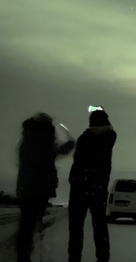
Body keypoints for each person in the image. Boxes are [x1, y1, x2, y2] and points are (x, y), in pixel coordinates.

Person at [16, 112, 75, 262]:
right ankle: (28, 255)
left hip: (26, 187)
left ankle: (24, 255)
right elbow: (52, 154)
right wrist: (69, 144)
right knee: (33, 225)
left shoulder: (27, 139)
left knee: (26, 225)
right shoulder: (43, 141)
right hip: (40, 187)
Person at [68, 108, 116, 262]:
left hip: (80, 187)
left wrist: (74, 179)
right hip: (98, 187)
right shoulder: (109, 138)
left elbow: (78, 163)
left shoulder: (86, 138)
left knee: (76, 227)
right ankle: (103, 258)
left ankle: (74, 258)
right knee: (100, 225)